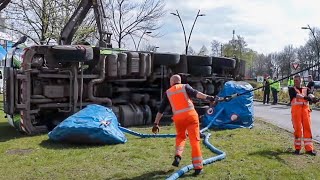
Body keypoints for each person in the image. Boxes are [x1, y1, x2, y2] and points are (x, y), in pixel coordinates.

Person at [151, 74, 216, 176]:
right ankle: (198, 168)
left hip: (178, 119)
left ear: (171, 83)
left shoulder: (168, 92)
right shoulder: (185, 87)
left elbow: (161, 110)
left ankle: (178, 155)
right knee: (194, 141)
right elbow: (197, 94)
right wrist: (209, 98)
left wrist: (156, 123)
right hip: (191, 117)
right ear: (180, 81)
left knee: (181, 137)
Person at [289, 74, 317, 156]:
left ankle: (309, 148)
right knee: (298, 129)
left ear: (301, 80)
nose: (295, 82)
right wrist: (305, 97)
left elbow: (310, 94)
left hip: (305, 111)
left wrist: (313, 98)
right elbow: (296, 95)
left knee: (307, 129)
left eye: (297, 80)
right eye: (294, 80)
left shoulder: (306, 89)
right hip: (296, 112)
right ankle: (297, 148)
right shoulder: (292, 89)